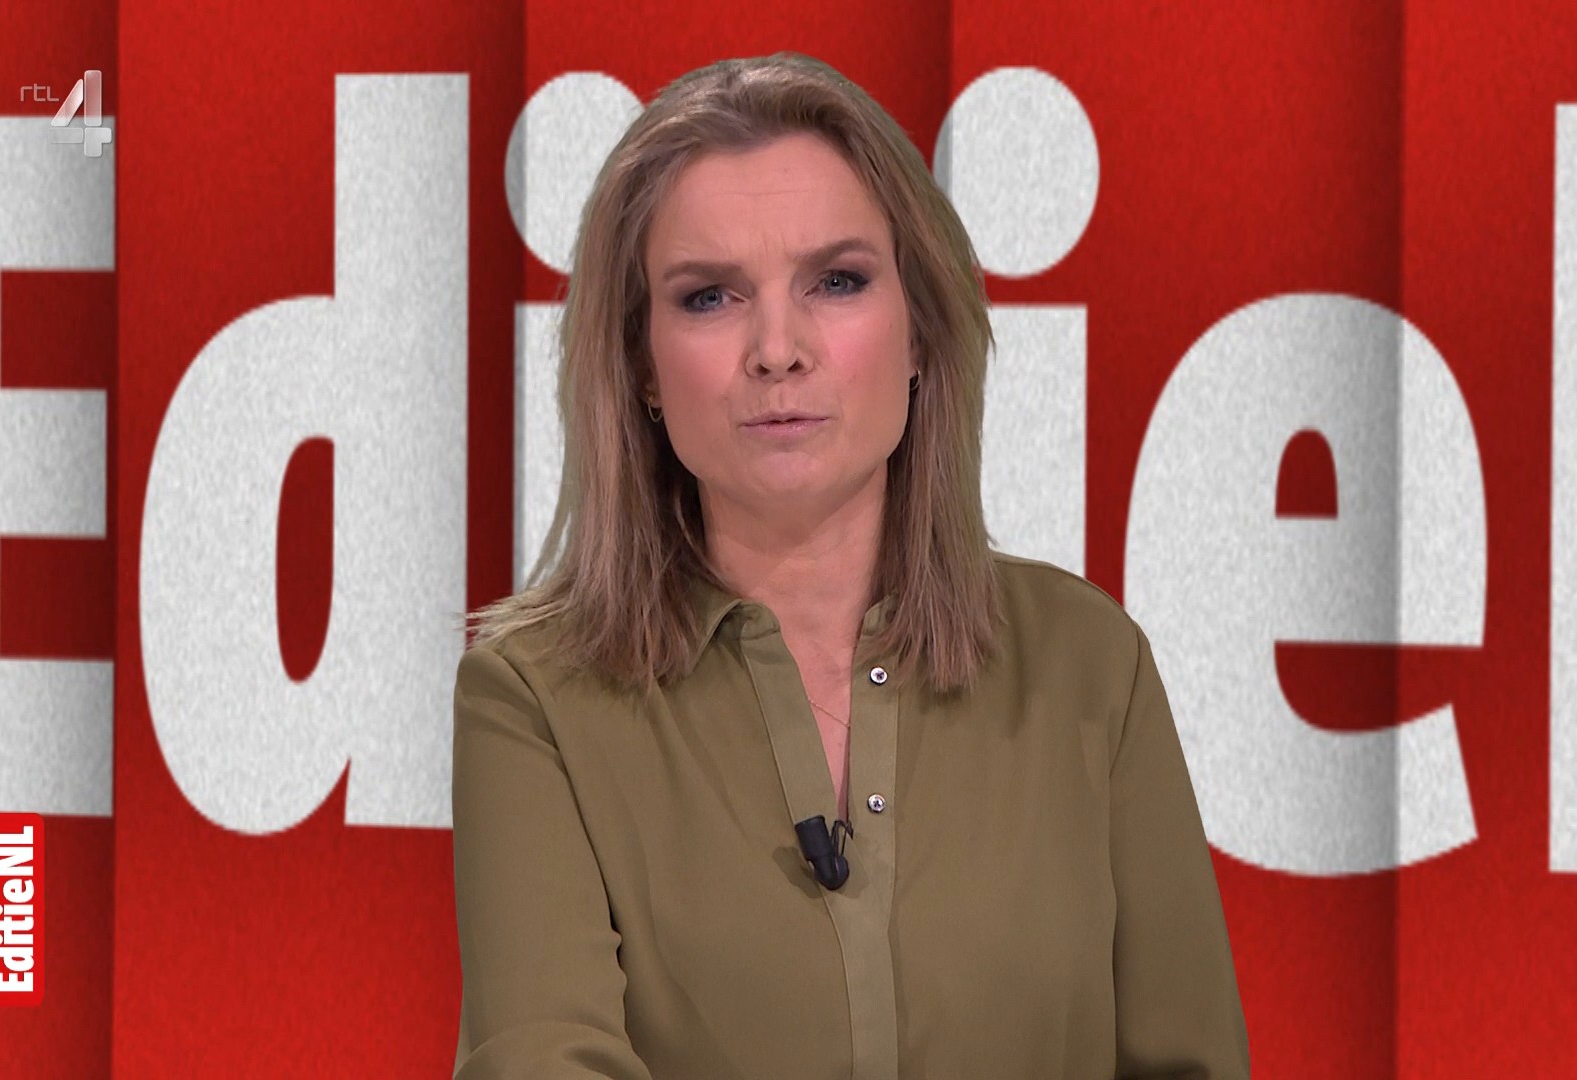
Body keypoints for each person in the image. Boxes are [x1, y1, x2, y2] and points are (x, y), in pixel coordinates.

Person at [451, 51, 1248, 1080]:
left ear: (920, 332)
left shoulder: (1091, 665)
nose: (778, 349)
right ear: (641, 365)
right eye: (709, 297)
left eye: (836, 281)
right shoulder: (533, 699)